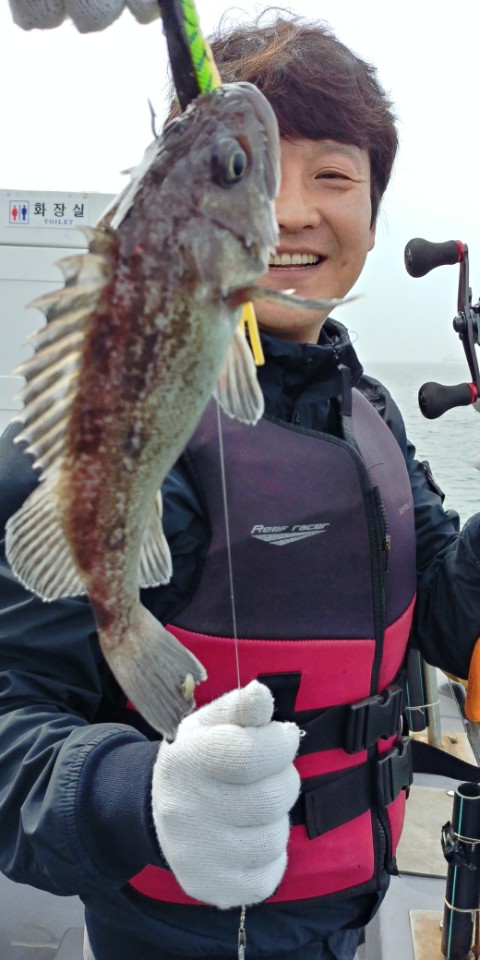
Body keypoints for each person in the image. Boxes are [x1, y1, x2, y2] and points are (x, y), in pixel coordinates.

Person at [1, 9, 480, 960]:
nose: (290, 211)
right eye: (255, 171)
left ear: (375, 216)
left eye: (333, 176)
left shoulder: (368, 411)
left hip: (345, 914)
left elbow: (442, 618)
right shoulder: (103, 431)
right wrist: (137, 796)